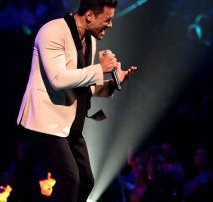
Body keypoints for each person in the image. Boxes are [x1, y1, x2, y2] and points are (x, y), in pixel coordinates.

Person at [15, 0, 137, 201]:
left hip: (70, 123)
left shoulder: (90, 40)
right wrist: (100, 69)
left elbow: (83, 83)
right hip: (45, 120)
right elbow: (58, 79)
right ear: (89, 15)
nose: (111, 25)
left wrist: (113, 83)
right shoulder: (52, 32)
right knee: (70, 178)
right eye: (107, 20)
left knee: (86, 181)